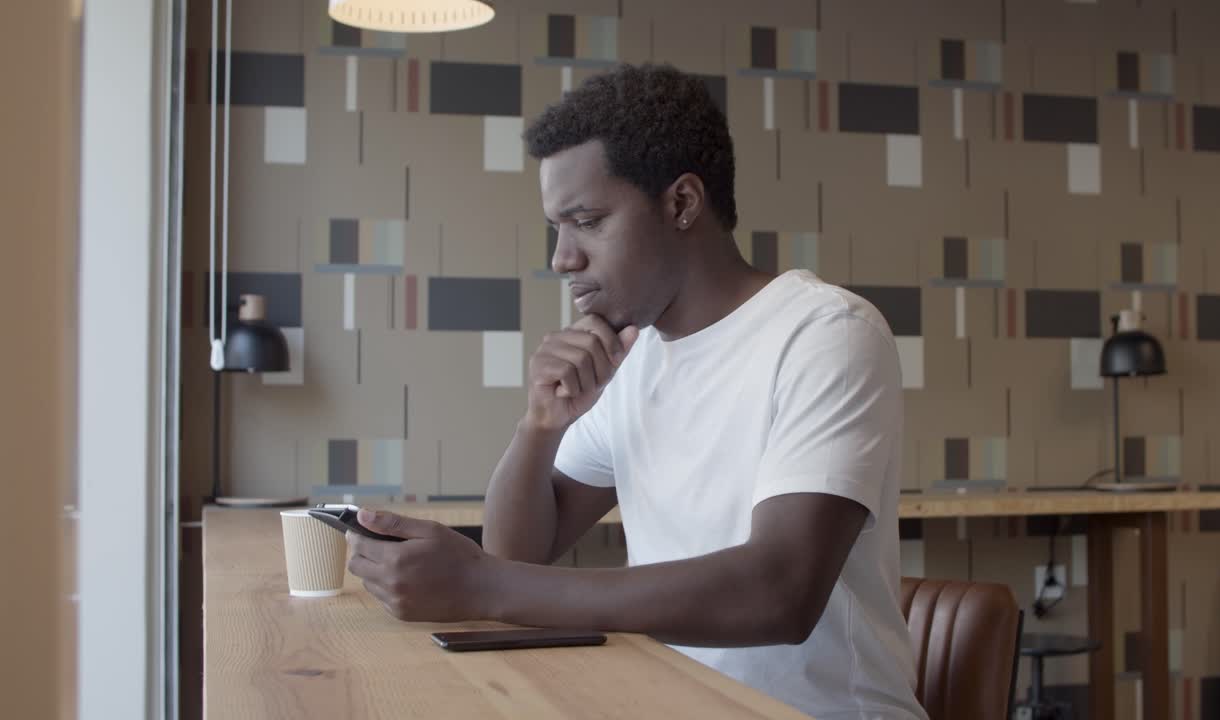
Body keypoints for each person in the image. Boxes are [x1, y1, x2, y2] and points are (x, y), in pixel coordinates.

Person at [346, 63, 927, 720]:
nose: (563, 257)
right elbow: (518, 553)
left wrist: (484, 586)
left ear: (681, 203)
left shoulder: (827, 332)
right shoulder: (636, 355)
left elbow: (779, 592)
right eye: (556, 228)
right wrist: (539, 426)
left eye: (586, 220)